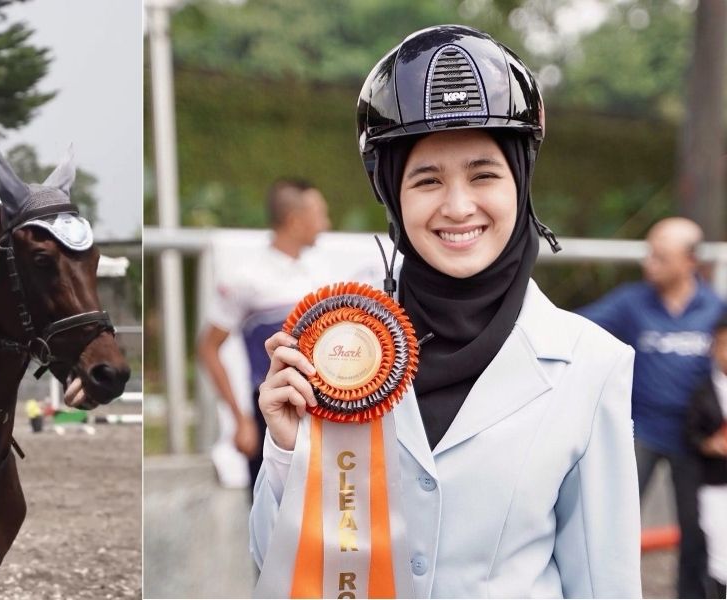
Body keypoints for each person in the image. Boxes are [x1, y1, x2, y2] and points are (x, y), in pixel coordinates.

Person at [251, 25, 641, 597]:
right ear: (391, 193)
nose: (458, 207)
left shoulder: (592, 364)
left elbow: (605, 583)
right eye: (427, 180)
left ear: (521, 181)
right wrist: (287, 450)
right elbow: (273, 566)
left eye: (484, 174)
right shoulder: (337, 355)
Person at [579, 216, 722, 598]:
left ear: (690, 261)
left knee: (697, 532)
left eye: (660, 257)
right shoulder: (631, 302)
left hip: (693, 439)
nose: (649, 264)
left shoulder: (715, 309)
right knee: (611, 521)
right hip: (639, 430)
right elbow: (577, 329)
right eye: (649, 254)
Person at [197, 179, 330, 492]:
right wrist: (241, 420)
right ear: (296, 220)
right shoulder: (246, 277)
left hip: (324, 409)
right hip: (271, 410)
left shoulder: (321, 274)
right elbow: (208, 348)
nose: (326, 223)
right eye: (320, 214)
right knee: (270, 512)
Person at [688, 313, 727, 599]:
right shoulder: (701, 392)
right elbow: (691, 434)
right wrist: (708, 444)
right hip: (714, 483)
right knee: (718, 554)